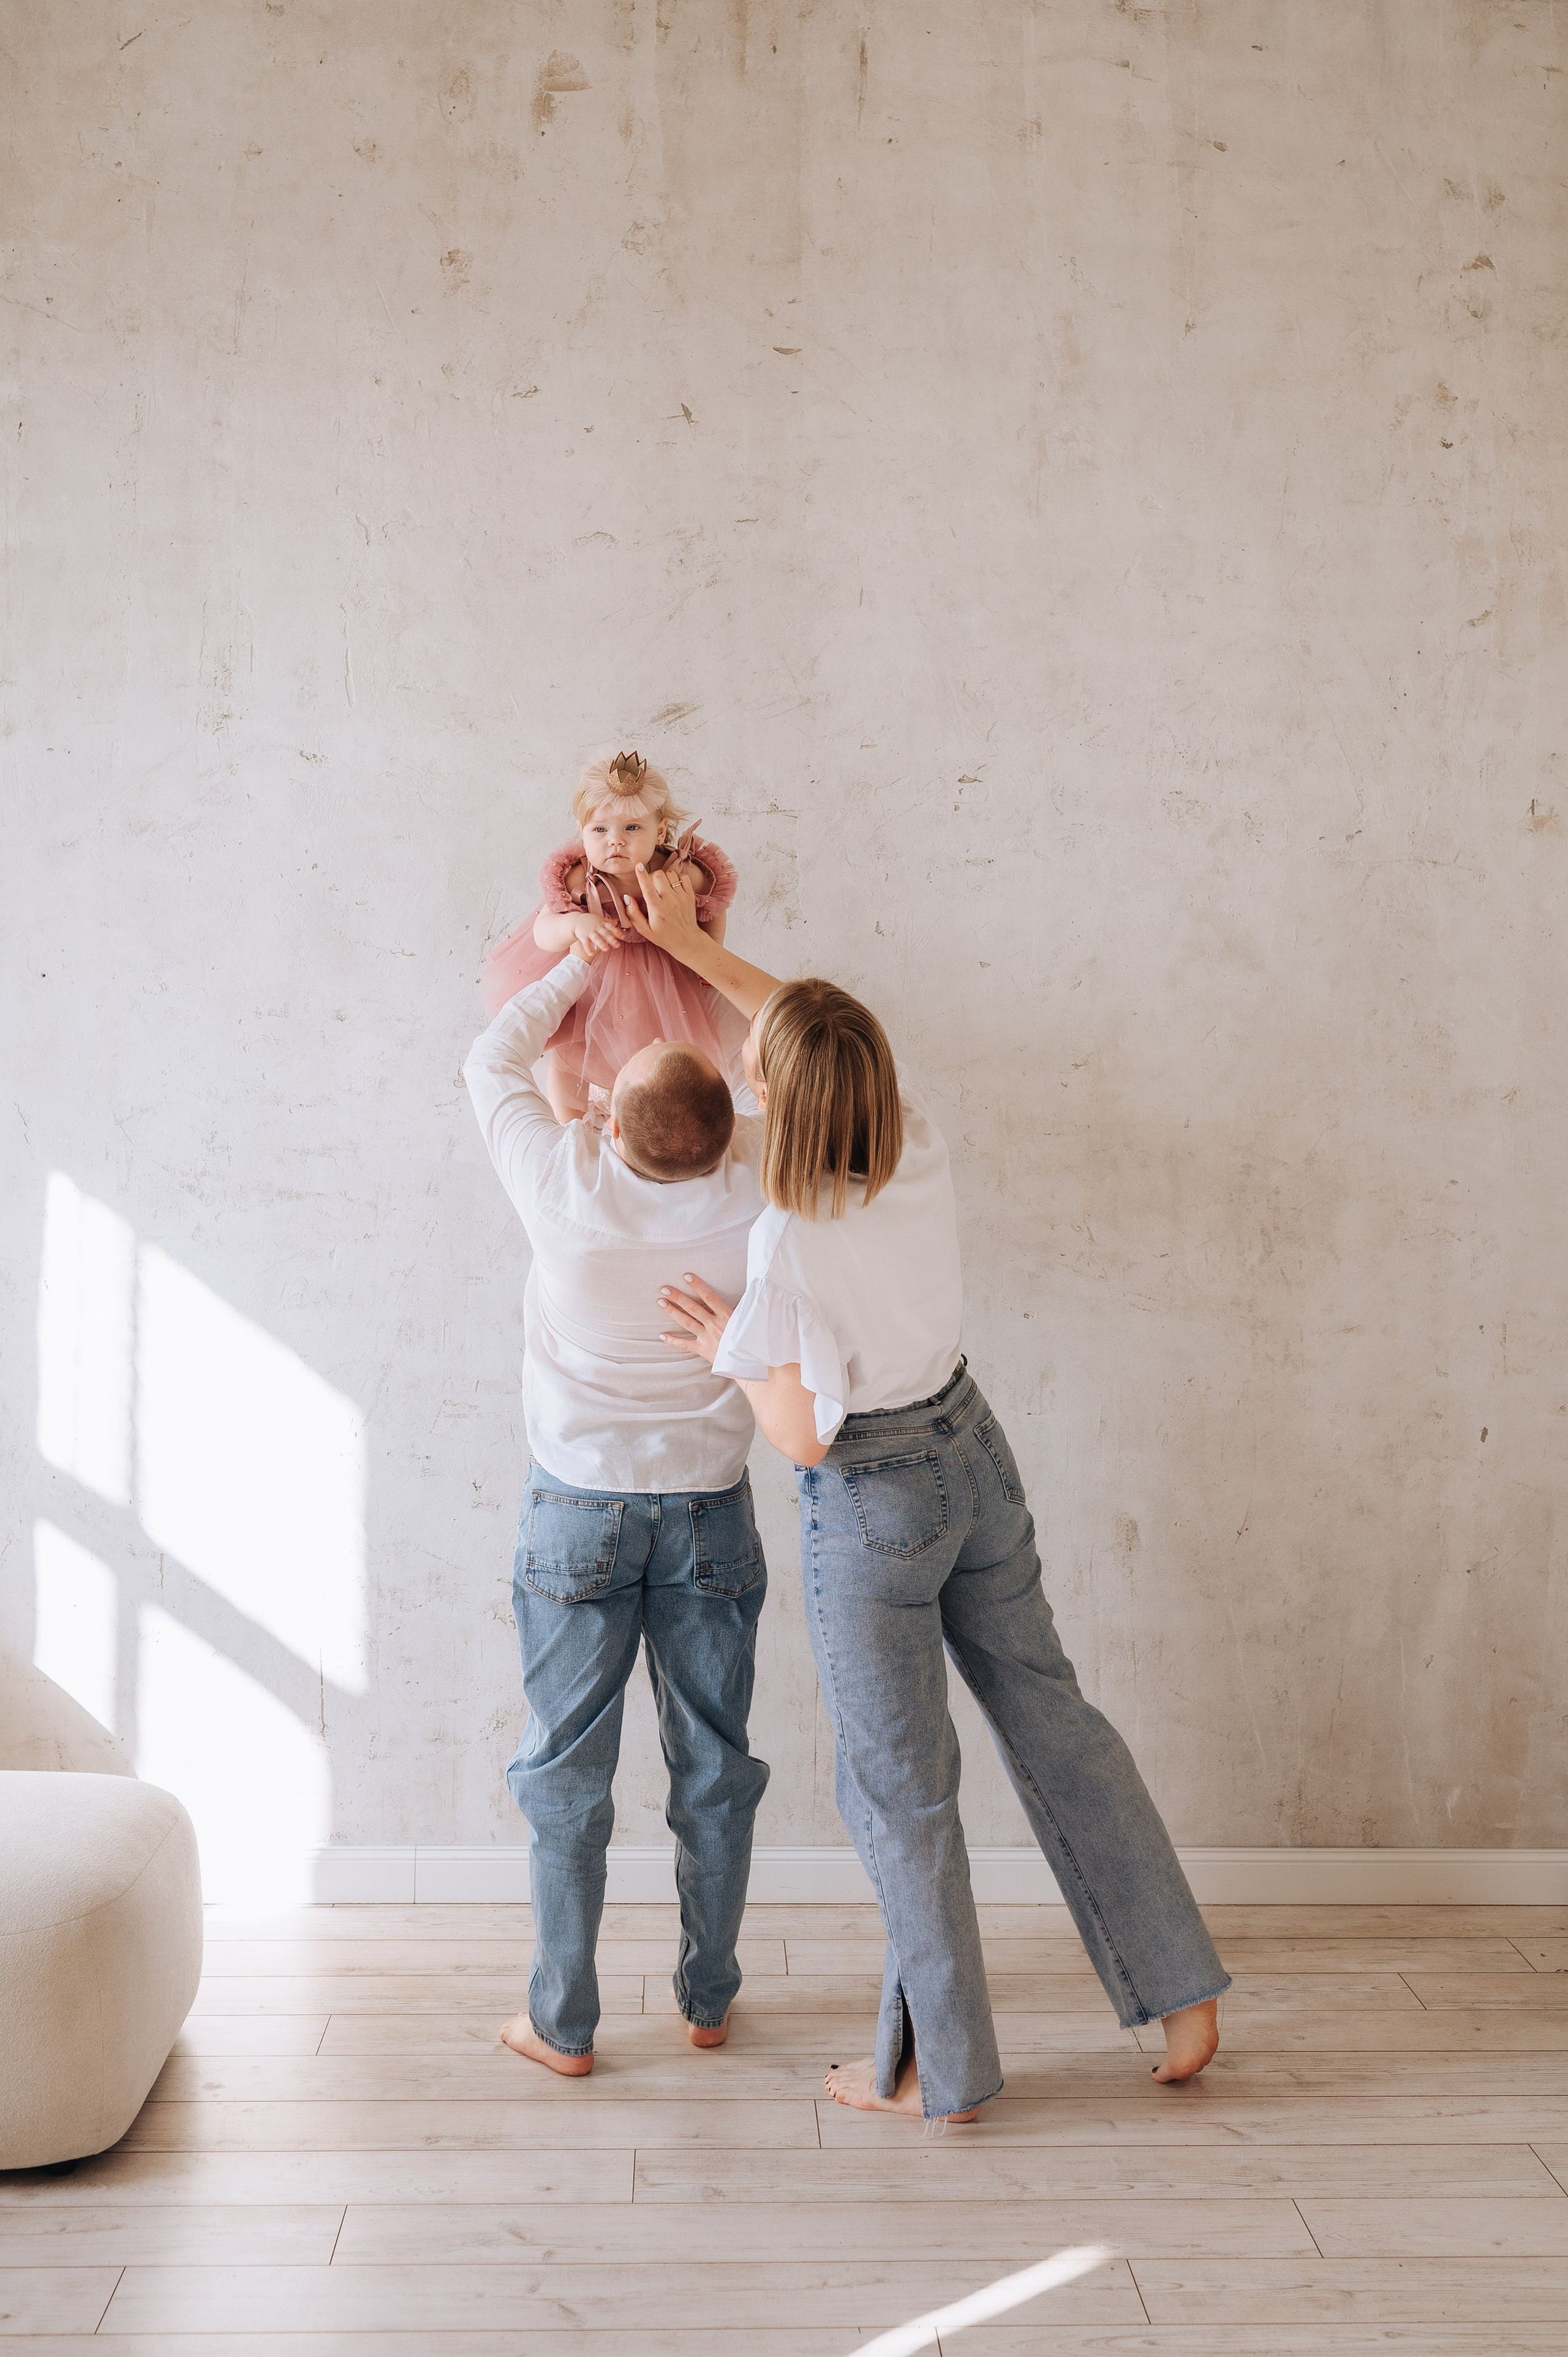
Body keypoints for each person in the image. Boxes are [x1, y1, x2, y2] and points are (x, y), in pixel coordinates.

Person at [620, 861, 1231, 2123]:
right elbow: (806, 1021)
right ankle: (1181, 1990)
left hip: (872, 1502)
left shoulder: (787, 1236)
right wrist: (692, 948)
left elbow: (799, 1432)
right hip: (974, 1455)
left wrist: (723, 1347)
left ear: (780, 1094)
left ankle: (939, 2071)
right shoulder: (915, 1138)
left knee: (902, 1790)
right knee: (1054, 1719)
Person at [462, 926, 770, 2076]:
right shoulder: (756, 1195)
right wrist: (693, 946)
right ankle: (708, 2000)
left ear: (607, 1119)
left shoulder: (561, 1183)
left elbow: (491, 1059)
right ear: (728, 1124)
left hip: (577, 1514)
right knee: (715, 1767)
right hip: (709, 1515)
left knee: (565, 1778)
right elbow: (773, 1067)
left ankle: (564, 2024)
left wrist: (582, 965)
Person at [481, 747, 739, 1124]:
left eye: (632, 828)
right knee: (574, 1053)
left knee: (653, 1052)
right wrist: (575, 925)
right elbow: (542, 933)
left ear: (661, 830)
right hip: (591, 977)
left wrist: (708, 954)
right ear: (582, 831)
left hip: (660, 979)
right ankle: (568, 1119)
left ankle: (638, 1118)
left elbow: (713, 908)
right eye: (599, 830)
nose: (614, 841)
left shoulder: (680, 874)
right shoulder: (579, 878)